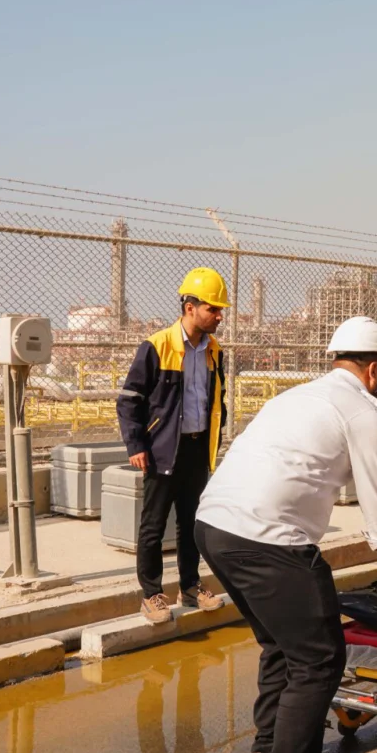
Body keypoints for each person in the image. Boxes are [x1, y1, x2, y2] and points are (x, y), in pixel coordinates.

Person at [195, 316, 377, 753]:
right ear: (373, 370)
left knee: (282, 644)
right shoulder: (362, 410)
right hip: (266, 538)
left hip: (213, 527)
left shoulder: (299, 396)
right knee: (320, 658)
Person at [117, 267, 229, 624]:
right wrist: (137, 443)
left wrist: (216, 435)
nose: (219, 316)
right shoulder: (158, 346)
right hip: (162, 448)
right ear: (190, 306)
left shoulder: (214, 350)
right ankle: (151, 595)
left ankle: (191, 587)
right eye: (213, 308)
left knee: (191, 522)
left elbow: (216, 401)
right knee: (153, 525)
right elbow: (129, 399)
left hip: (197, 448)